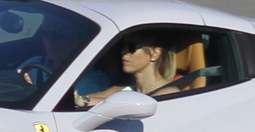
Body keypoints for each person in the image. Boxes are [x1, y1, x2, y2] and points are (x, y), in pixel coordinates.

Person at [73, 34, 203, 107]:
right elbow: (98, 99)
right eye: (122, 47)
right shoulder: (125, 89)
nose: (124, 52)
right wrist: (78, 99)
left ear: (154, 54)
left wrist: (82, 101)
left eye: (132, 47)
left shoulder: (168, 93)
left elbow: (127, 108)